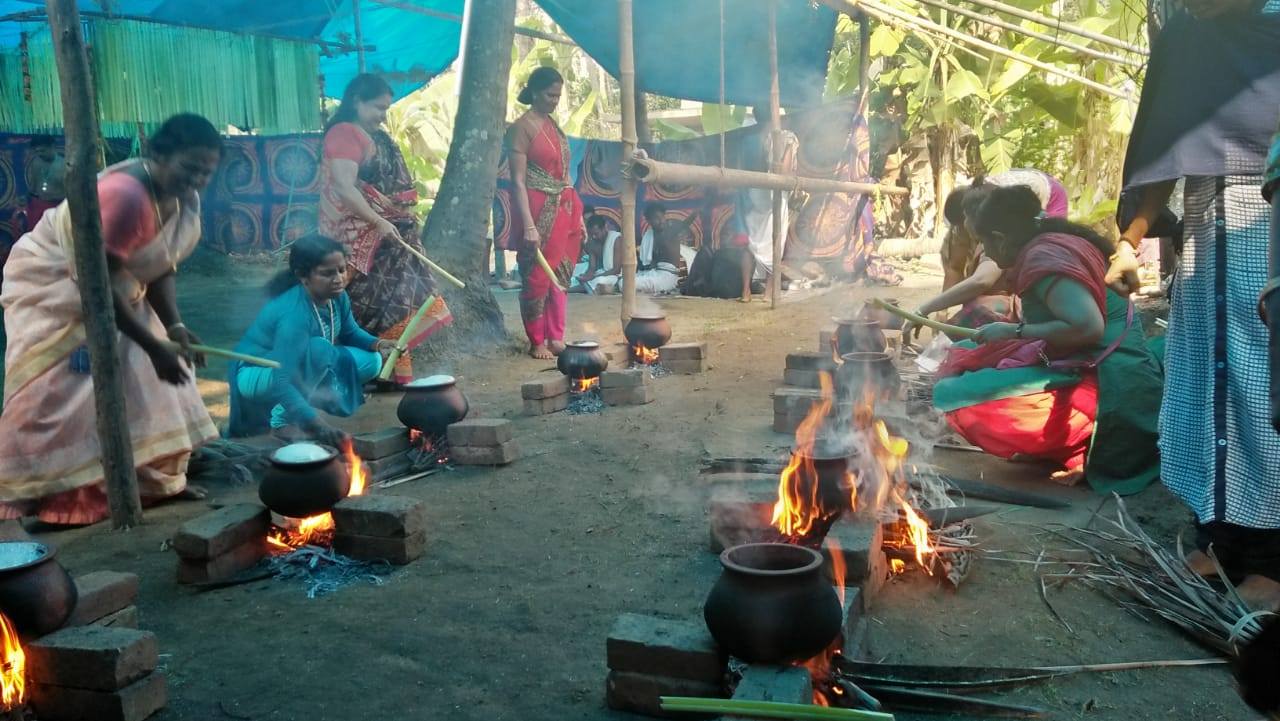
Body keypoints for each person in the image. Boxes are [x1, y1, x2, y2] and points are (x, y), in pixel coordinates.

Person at [1108, 0, 1280, 609]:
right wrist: (1130, 242)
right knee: (1208, 386)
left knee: (1267, 377)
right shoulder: (1186, 35)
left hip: (1269, 216)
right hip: (1209, 227)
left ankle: (1273, 561)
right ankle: (1224, 541)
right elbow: (1170, 142)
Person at [0, 114, 223, 526]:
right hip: (56, 285)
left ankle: (147, 484)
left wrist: (171, 326)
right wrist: (154, 346)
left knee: (148, 384)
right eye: (189, 169)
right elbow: (97, 284)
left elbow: (158, 263)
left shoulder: (180, 196)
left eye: (206, 173)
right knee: (60, 390)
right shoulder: (127, 197)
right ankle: (53, 495)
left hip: (114, 287)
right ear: (157, 155)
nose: (196, 180)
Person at [932, 185, 1163, 491]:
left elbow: (1089, 327)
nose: (985, 253)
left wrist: (1014, 332)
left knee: (959, 395)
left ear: (1000, 238)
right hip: (1083, 360)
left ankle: (1080, 445)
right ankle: (1062, 443)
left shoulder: (1043, 258)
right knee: (966, 351)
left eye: (985, 243)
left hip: (1111, 380)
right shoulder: (1041, 244)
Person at [319, 73, 451, 385]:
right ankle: (355, 370)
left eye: (386, 109)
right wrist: (379, 221)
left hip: (387, 235)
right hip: (354, 237)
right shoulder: (343, 133)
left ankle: (390, 370)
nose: (382, 115)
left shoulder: (374, 137)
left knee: (400, 300)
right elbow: (343, 187)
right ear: (356, 101)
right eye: (377, 108)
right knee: (357, 303)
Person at [227, 235, 391, 445]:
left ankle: (302, 401)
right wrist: (318, 425)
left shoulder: (337, 296)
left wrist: (379, 344)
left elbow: (351, 332)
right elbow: (281, 381)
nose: (339, 279)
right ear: (303, 277)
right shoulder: (293, 315)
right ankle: (281, 422)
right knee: (321, 350)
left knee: (373, 360)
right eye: (327, 273)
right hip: (257, 374)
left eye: (342, 270)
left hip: (298, 366)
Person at [908, 170, 1069, 338]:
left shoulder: (1036, 258)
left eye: (982, 241)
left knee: (977, 312)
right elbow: (955, 267)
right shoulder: (992, 225)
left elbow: (982, 280)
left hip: (1067, 348)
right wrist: (940, 310)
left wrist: (1015, 331)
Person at [506, 66, 584, 359]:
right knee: (538, 273)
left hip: (565, 206)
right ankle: (537, 340)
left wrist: (577, 215)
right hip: (538, 209)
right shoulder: (521, 128)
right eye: (551, 94)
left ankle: (556, 335)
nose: (555, 100)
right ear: (535, 92)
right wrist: (528, 225)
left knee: (562, 271)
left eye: (558, 95)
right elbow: (517, 181)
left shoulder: (553, 125)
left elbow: (564, 175)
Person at [632, 203, 695, 296]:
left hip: (667, 277)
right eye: (657, 218)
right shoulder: (649, 236)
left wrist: (699, 210)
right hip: (654, 274)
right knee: (625, 280)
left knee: (630, 284)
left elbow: (686, 222)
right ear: (649, 221)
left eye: (662, 217)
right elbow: (647, 264)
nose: (661, 221)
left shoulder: (671, 231)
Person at [573, 215, 622, 294]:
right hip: (602, 273)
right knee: (575, 278)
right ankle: (582, 287)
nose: (594, 237)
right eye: (591, 234)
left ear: (604, 228)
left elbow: (616, 270)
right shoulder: (593, 243)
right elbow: (592, 268)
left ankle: (569, 290)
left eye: (596, 233)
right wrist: (585, 276)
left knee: (598, 281)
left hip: (615, 276)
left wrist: (594, 277)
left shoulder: (616, 239)